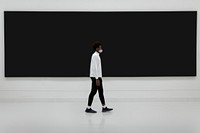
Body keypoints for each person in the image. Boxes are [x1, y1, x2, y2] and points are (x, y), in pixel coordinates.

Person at [85, 41, 113, 113]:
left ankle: (104, 107)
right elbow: (95, 68)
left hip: (97, 77)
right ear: (97, 48)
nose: (101, 48)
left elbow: (98, 68)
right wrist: (97, 78)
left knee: (100, 92)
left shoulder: (97, 55)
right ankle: (88, 108)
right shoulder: (95, 56)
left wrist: (100, 77)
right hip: (95, 77)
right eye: (100, 47)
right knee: (93, 92)